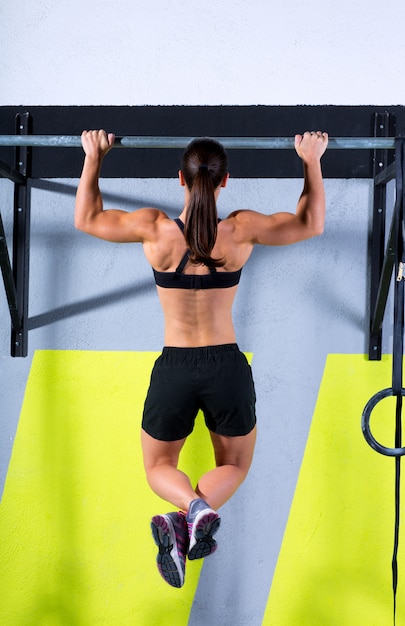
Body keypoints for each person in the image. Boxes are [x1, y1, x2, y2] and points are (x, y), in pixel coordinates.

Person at [75, 129, 328, 588]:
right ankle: (189, 515)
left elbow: (87, 218)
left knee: (158, 467)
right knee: (234, 465)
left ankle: (187, 513)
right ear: (225, 181)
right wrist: (310, 160)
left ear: (180, 179)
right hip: (225, 368)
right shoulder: (240, 230)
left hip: (174, 366)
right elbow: (309, 223)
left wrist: (94, 156)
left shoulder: (154, 228)